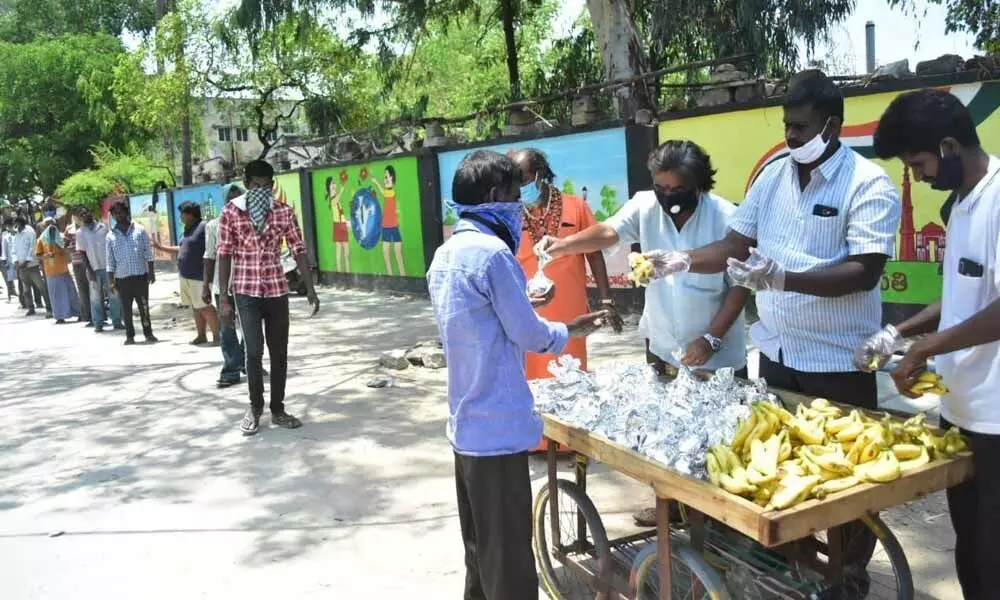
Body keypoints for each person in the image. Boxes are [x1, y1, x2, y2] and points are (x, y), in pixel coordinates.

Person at [613, 71, 901, 576]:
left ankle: (847, 577)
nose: (791, 136)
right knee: (779, 475)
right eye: (787, 126)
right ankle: (786, 570)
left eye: (801, 127)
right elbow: (734, 247)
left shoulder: (867, 183)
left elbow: (866, 270)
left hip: (837, 360)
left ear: (832, 125)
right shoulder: (773, 177)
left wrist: (784, 278)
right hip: (777, 355)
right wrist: (680, 260)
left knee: (847, 486)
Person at [537, 140, 750, 527]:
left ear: (698, 184)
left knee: (721, 442)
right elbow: (607, 233)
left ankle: (722, 521)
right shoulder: (645, 206)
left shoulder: (725, 216)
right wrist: (563, 246)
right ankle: (671, 507)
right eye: (661, 188)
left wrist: (712, 338)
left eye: (677, 189)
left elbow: (739, 286)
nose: (668, 196)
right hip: (664, 345)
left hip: (717, 352)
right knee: (667, 436)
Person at [427, 149, 607, 600]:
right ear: (494, 196)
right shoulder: (492, 254)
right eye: (512, 193)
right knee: (509, 564)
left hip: (465, 427)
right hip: (498, 429)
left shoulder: (446, 254)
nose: (517, 205)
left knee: (480, 554)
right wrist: (567, 329)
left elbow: (481, 322)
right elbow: (528, 335)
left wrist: (527, 310)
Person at [856, 88, 1000, 600]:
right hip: (962, 410)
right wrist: (901, 331)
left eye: (917, 163)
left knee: (993, 555)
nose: (917, 175)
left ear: (948, 146)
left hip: (998, 420)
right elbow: (962, 296)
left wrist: (925, 348)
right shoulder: (961, 203)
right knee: (969, 549)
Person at [217, 159, 319, 436]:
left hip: (276, 289)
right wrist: (223, 297)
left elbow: (298, 248)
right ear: (247, 185)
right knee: (253, 352)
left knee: (279, 352)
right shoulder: (231, 213)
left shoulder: (284, 212)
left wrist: (310, 287)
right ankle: (255, 407)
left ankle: (278, 408)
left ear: (272, 185)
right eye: (256, 185)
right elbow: (224, 254)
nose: (261, 189)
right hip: (245, 290)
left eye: (266, 185)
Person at [512, 148, 623, 380]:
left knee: (571, 379)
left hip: (571, 315)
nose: (518, 186)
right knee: (531, 380)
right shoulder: (511, 214)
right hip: (529, 312)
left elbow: (594, 253)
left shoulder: (576, 206)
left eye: (522, 178)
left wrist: (606, 300)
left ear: (539, 174)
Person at [154, 201, 220, 345]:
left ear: (190, 214)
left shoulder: (204, 227)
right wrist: (160, 247)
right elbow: (182, 249)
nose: (180, 217)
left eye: (182, 214)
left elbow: (213, 249)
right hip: (186, 275)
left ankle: (217, 336)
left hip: (199, 275)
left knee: (205, 306)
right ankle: (201, 335)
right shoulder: (187, 230)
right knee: (195, 307)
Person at [204, 183, 249, 388]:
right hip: (222, 285)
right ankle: (231, 369)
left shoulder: (252, 219)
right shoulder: (213, 225)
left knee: (251, 327)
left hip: (248, 282)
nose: (234, 199)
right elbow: (210, 256)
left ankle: (248, 362)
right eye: (230, 196)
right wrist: (206, 285)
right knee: (227, 328)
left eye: (238, 195)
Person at [106, 199, 158, 345]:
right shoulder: (110, 236)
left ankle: (149, 334)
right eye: (115, 213)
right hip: (122, 279)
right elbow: (110, 261)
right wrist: (111, 281)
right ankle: (130, 336)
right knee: (126, 309)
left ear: (126, 212)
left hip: (140, 277)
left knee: (144, 307)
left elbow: (148, 253)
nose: (118, 215)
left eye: (121, 212)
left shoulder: (139, 230)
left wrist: (151, 272)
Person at [75, 205, 124, 332]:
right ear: (80, 218)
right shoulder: (80, 233)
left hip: (109, 267)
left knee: (113, 294)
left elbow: (112, 245)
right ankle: (98, 323)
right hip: (93, 268)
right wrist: (90, 271)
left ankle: (117, 321)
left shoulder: (103, 227)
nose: (85, 215)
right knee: (96, 298)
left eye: (86, 212)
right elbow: (82, 253)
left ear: (90, 213)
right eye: (82, 214)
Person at [35, 219, 80, 323]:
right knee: (56, 296)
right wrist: (47, 256)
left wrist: (64, 249)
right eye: (47, 224)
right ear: (44, 226)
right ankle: (60, 317)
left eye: (52, 223)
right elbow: (38, 255)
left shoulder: (61, 236)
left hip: (64, 270)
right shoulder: (41, 240)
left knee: (71, 293)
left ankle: (78, 313)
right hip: (51, 272)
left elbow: (68, 248)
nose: (50, 226)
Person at [12, 215, 52, 318]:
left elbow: (32, 247)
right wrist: (16, 261)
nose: (16, 226)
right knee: (26, 289)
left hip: (31, 265)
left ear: (21, 223)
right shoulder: (16, 235)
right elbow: (14, 249)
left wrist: (26, 260)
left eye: (17, 224)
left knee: (41, 287)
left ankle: (49, 307)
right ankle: (31, 307)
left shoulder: (29, 232)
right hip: (21, 266)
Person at [372, 165, 405, 275]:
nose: (385, 179)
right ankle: (390, 274)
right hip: (386, 226)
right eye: (384, 177)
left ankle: (402, 274)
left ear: (392, 178)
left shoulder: (392, 191)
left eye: (386, 177)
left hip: (394, 226)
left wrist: (377, 183)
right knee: (385, 251)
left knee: (397, 252)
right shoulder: (387, 191)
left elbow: (385, 193)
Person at [63, 211, 92, 325]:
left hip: (88, 261)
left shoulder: (87, 227)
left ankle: (96, 314)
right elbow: (64, 244)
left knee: (92, 289)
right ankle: (86, 314)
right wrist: (68, 248)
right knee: (82, 290)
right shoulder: (69, 229)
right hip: (76, 262)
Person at [327, 178, 350, 272]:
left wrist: (346, 222)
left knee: (347, 252)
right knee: (339, 252)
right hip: (337, 225)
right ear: (328, 187)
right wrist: (341, 190)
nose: (334, 185)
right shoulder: (332, 199)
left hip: (342, 224)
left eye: (334, 183)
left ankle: (348, 272)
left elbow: (341, 213)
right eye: (332, 184)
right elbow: (335, 201)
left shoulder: (336, 198)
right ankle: (340, 273)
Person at [1, 218, 20, 304]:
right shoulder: (5, 236)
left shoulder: (17, 233)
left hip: (17, 259)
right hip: (8, 259)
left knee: (19, 279)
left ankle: (20, 298)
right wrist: (4, 259)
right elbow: (4, 249)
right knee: (8, 279)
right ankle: (10, 296)